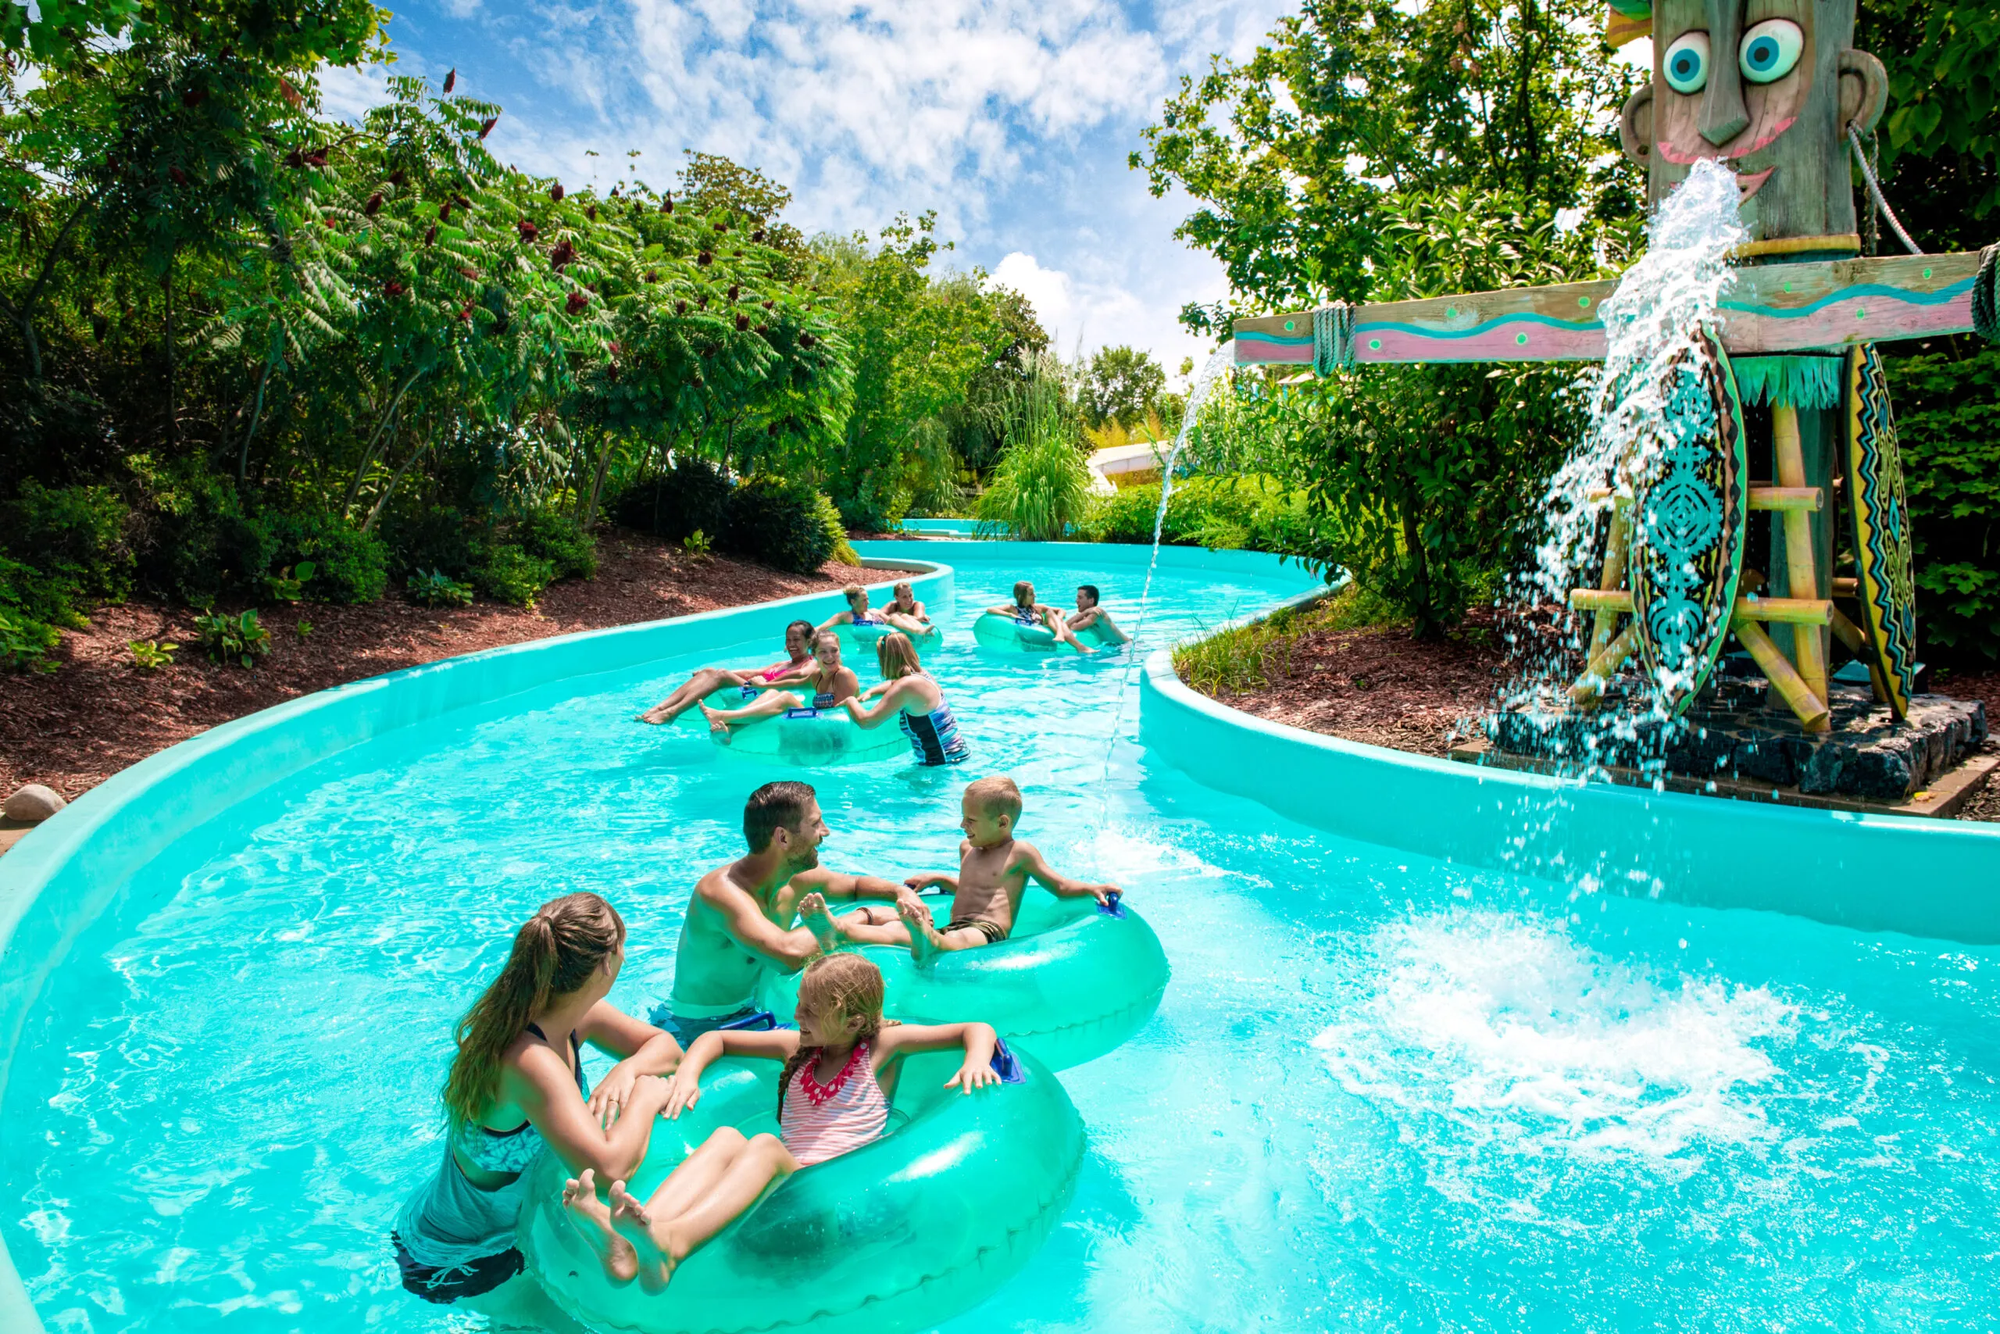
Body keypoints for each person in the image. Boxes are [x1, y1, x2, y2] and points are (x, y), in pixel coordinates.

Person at [561, 954, 1000, 1292]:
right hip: (787, 1201)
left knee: (766, 1146)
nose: (798, 1014)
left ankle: (674, 1245)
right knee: (728, 1136)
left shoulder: (883, 1046)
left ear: (855, 1021)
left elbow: (976, 1027)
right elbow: (716, 1038)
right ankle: (636, 1240)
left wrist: (976, 1060)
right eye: (800, 1003)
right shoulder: (796, 1047)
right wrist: (688, 1075)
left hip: (841, 1210)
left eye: (810, 1009)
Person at [392, 893, 683, 1324]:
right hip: (462, 1257)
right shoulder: (529, 1062)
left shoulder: (564, 1015)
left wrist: (630, 1069)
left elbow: (666, 1047)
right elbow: (608, 1170)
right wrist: (645, 1095)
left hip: (503, 1227)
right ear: (606, 963)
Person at [654, 781, 904, 1045]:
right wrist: (864, 916)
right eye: (815, 823)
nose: (825, 832)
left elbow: (854, 886)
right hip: (696, 1027)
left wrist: (900, 892)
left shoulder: (794, 876)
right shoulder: (720, 892)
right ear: (783, 837)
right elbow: (788, 956)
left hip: (754, 1012)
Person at [822, 775, 1121, 965]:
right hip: (954, 926)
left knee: (960, 940)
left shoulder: (1019, 853)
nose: (962, 826)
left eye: (971, 820)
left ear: (1002, 823)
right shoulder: (968, 849)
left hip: (986, 931)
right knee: (898, 931)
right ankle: (841, 931)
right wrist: (938, 878)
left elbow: (1060, 887)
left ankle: (929, 941)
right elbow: (969, 886)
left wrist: (1093, 889)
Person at [637, 620, 818, 725]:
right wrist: (712, 673)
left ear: (809, 642)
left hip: (764, 695)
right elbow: (751, 672)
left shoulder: (811, 663)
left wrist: (766, 683)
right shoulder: (782, 663)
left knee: (722, 674)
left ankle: (672, 713)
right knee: (709, 671)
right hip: (752, 689)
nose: (791, 644)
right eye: (788, 640)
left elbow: (804, 676)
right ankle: (659, 708)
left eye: (797, 640)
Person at [698, 630, 860, 739]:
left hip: (835, 736)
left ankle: (725, 716)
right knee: (773, 694)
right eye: (823, 652)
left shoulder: (843, 675)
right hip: (818, 727)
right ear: (814, 654)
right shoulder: (818, 675)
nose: (830, 656)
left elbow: (842, 715)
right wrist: (763, 686)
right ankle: (731, 730)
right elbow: (794, 683)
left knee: (786, 699)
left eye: (834, 650)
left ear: (840, 650)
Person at [842, 631, 971, 767]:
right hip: (957, 756)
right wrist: (872, 691)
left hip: (942, 764)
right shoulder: (922, 674)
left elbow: (867, 722)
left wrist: (850, 700)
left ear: (885, 659)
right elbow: (894, 683)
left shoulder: (906, 686)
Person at [985, 579, 1089, 652]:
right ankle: (1075, 644)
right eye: (1031, 594)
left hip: (1048, 642)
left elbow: (1061, 610)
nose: (1035, 595)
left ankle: (1062, 635)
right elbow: (990, 609)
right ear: (1021, 596)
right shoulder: (1013, 609)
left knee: (1049, 612)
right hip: (1030, 646)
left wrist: (1058, 619)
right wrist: (1010, 615)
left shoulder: (1038, 608)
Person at [818, 582, 931, 639]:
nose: (868, 602)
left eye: (867, 599)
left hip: (887, 642)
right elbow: (822, 626)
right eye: (864, 600)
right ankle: (917, 632)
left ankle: (920, 632)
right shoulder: (846, 616)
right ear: (853, 602)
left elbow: (892, 620)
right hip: (870, 646)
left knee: (899, 616)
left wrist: (903, 617)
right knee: (896, 615)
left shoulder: (874, 612)